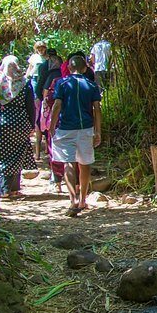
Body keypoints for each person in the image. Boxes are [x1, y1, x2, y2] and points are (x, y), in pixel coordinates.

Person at [0, 56, 36, 200]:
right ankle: (9, 189)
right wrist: (32, 125)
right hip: (18, 124)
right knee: (15, 156)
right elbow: (30, 106)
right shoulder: (24, 83)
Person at [49, 55, 102, 216]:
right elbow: (97, 109)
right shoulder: (91, 85)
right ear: (85, 68)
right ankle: (83, 200)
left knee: (69, 163)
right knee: (84, 164)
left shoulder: (62, 83)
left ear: (69, 68)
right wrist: (98, 131)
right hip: (86, 128)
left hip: (66, 128)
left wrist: (51, 126)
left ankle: (73, 200)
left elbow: (57, 105)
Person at [38, 49, 65, 190]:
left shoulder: (51, 78)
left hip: (55, 120)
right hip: (73, 121)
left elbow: (45, 97)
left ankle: (57, 180)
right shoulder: (66, 78)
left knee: (54, 149)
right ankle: (76, 184)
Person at [26, 41, 47, 158]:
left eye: (42, 48)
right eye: (39, 48)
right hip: (34, 79)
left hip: (44, 79)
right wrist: (26, 78)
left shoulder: (47, 58)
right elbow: (29, 69)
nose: (40, 50)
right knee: (36, 100)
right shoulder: (34, 57)